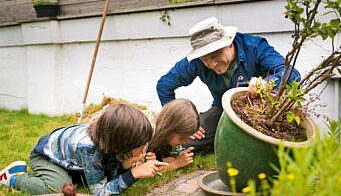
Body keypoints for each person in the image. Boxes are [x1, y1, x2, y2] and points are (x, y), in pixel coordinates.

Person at [156, 17, 301, 153]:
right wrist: (178, 121)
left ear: (229, 43)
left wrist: (266, 84)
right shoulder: (195, 62)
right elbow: (164, 85)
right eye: (205, 59)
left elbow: (292, 73)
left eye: (215, 55)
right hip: (223, 109)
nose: (212, 64)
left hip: (262, 109)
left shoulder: (255, 47)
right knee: (186, 143)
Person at [0, 104, 168, 195]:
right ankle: (14, 177)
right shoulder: (88, 149)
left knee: (88, 178)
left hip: (72, 160)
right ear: (121, 143)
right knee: (56, 189)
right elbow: (100, 192)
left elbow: (110, 174)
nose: (143, 151)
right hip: (46, 156)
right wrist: (134, 173)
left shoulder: (109, 142)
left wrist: (126, 165)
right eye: (139, 147)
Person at [146, 99, 200, 172]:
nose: (185, 142)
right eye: (182, 137)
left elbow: (166, 158)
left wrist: (177, 156)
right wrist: (176, 164)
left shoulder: (167, 135)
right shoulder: (145, 133)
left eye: (187, 137)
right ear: (170, 128)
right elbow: (143, 170)